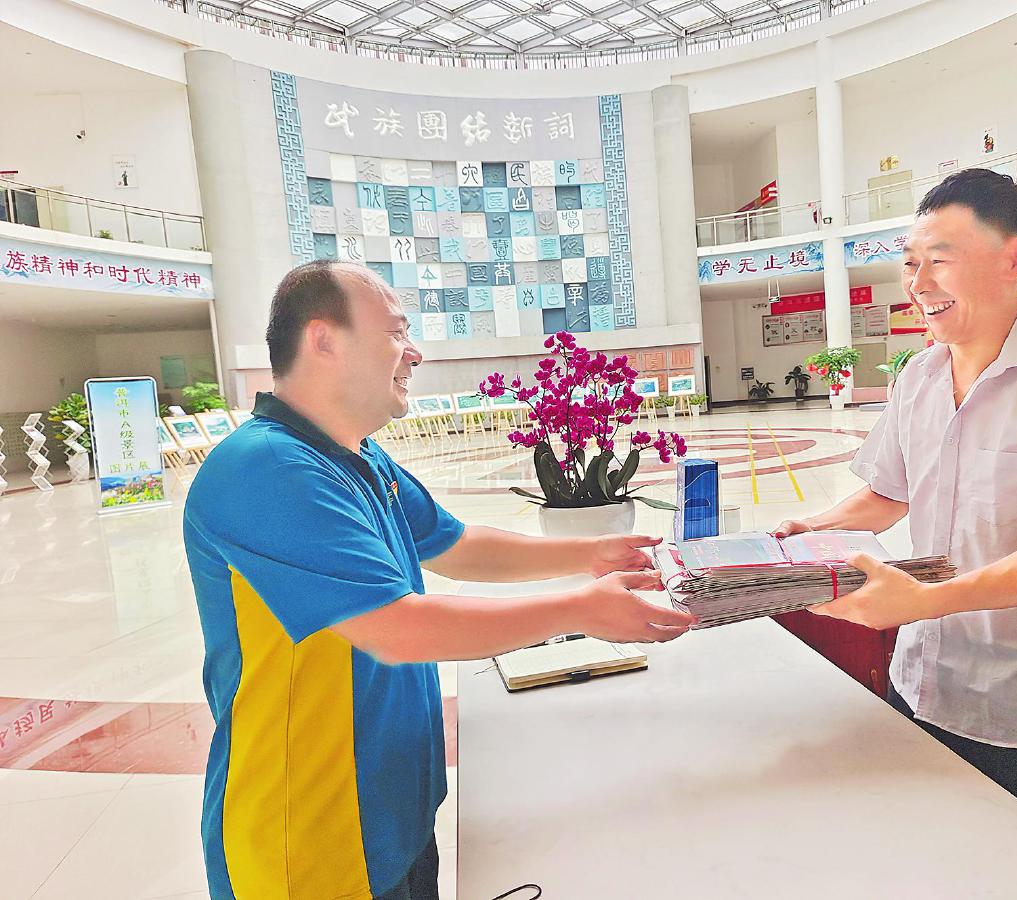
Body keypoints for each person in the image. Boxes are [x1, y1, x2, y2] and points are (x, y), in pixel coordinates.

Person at [183, 260, 694, 900]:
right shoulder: (267, 469)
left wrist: (592, 554)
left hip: (387, 810)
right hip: (311, 834)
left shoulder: (357, 456)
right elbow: (397, 630)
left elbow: (456, 545)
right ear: (323, 339)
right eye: (397, 332)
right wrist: (580, 611)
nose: (415, 352)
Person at [775, 169, 1017, 845]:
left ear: (1014, 259)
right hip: (918, 683)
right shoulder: (918, 376)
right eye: (911, 263)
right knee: (921, 858)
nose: (918, 284)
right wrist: (810, 526)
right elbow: (888, 494)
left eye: (939, 260)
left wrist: (927, 600)